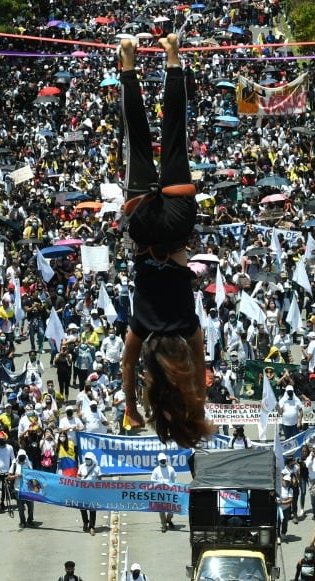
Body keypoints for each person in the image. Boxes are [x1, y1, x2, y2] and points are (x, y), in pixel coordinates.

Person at [118, 35, 214, 449]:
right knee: (136, 138)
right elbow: (127, 365)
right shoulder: (143, 329)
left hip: (176, 219)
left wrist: (197, 408)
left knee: (175, 133)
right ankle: (128, 61)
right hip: (142, 221)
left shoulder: (190, 327)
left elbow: (200, 369)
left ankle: (173, 53)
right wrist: (131, 406)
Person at [152, 450, 178, 532]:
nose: (163, 462)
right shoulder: (156, 470)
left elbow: (174, 480)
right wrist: (158, 484)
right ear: (159, 461)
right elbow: (152, 480)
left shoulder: (171, 469)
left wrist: (176, 488)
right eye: (161, 461)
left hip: (170, 492)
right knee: (161, 509)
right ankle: (163, 525)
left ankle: (169, 520)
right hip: (160, 493)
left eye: (164, 460)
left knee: (171, 509)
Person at [12, 448, 35, 528]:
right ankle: (22, 521)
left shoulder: (28, 463)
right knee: (20, 507)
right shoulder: (14, 464)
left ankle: (30, 519)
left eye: (23, 456)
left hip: (28, 489)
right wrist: (16, 476)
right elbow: (9, 476)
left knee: (31, 506)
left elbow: (33, 474)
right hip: (18, 489)